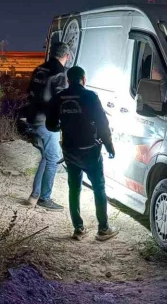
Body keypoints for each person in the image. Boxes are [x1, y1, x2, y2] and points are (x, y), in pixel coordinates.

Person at [46, 66, 119, 241]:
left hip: (70, 151)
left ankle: (78, 229)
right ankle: (103, 229)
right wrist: (109, 147)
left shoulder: (59, 97)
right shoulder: (90, 96)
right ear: (84, 79)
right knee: (98, 187)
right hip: (90, 151)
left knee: (74, 188)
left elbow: (51, 124)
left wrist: (63, 126)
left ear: (68, 81)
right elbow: (102, 124)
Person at [22, 42, 70, 210]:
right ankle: (45, 198)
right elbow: (60, 100)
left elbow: (30, 93)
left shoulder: (39, 69)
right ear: (67, 56)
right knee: (53, 159)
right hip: (46, 122)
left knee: (46, 156)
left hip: (32, 118)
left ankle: (34, 196)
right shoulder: (60, 73)